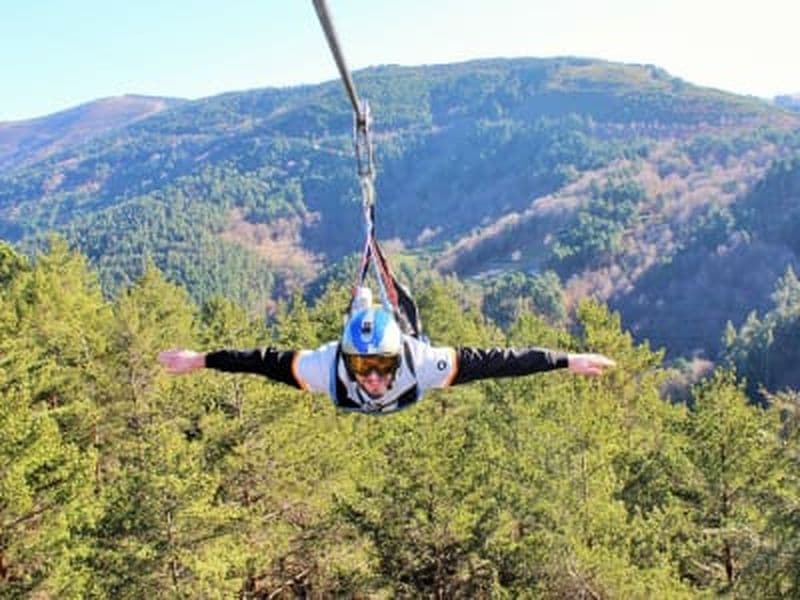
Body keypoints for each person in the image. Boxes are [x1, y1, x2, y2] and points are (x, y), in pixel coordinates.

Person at [158, 287, 615, 415]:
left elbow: (498, 361)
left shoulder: (423, 363)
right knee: (383, 323)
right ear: (348, 360)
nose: (373, 377)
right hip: (379, 373)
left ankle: (385, 310)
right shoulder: (326, 367)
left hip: (411, 360)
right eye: (362, 367)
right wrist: (200, 360)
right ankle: (365, 307)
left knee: (413, 325)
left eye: (380, 366)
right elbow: (261, 361)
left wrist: (565, 361)